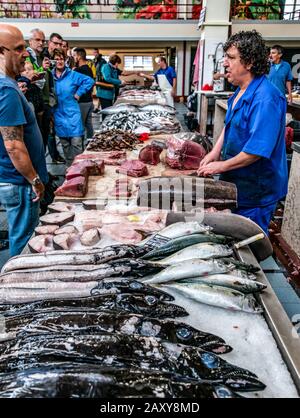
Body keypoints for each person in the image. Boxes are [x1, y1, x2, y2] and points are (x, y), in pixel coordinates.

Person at [198, 30, 288, 235]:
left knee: (248, 242)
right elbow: (230, 126)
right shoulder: (240, 91)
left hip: (257, 189)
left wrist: (220, 165)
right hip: (237, 182)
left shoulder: (266, 98)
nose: (224, 63)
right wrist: (215, 152)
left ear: (248, 62)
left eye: (231, 57)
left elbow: (256, 151)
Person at [0, 23, 48, 256]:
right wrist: (35, 178)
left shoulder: (10, 84)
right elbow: (13, 145)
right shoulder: (6, 90)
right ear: (1, 52)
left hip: (16, 180)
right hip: (20, 182)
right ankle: (15, 286)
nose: (26, 53)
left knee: (23, 235)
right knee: (24, 242)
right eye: (18, 49)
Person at [27, 29, 65, 163]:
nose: (40, 43)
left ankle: (43, 173)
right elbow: (28, 76)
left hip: (45, 102)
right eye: (37, 40)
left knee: (44, 138)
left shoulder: (43, 57)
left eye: (42, 40)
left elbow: (48, 81)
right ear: (30, 41)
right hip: (35, 104)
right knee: (37, 142)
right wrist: (41, 69)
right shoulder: (28, 56)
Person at [51, 49, 94, 167]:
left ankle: (80, 170)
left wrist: (79, 93)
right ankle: (70, 173)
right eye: (56, 59)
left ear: (66, 60)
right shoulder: (50, 76)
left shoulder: (73, 75)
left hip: (73, 115)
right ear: (52, 60)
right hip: (59, 116)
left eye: (62, 59)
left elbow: (89, 81)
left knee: (77, 145)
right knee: (65, 146)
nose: (59, 61)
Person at [73, 47, 95, 140]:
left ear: (78, 57)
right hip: (90, 101)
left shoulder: (78, 71)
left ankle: (80, 146)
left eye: (74, 55)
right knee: (88, 124)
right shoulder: (88, 69)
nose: (73, 58)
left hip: (82, 102)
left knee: (80, 125)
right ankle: (90, 142)